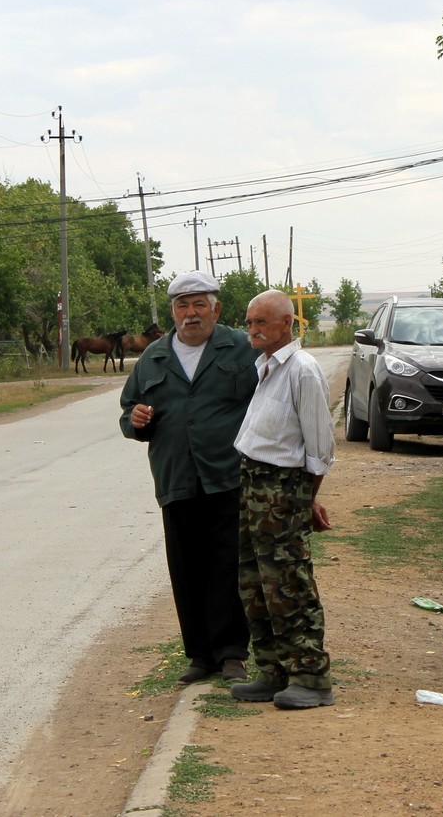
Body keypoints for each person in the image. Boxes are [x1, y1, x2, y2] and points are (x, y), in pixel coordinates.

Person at [120, 270, 259, 684]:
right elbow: (129, 411)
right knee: (185, 567)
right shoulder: (153, 358)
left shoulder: (241, 347)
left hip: (228, 474)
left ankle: (232, 652)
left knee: (228, 565)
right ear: (173, 312)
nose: (191, 313)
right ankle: (199, 656)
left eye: (199, 304)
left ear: (215, 308)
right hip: (176, 476)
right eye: (183, 305)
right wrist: (136, 419)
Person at [231, 289, 337, 709]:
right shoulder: (267, 368)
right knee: (254, 583)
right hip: (253, 484)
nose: (253, 329)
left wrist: (304, 500)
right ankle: (273, 670)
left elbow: (319, 449)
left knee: (288, 584)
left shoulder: (303, 371)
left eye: (261, 322)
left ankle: (311, 676)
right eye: (250, 322)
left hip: (281, 489)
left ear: (286, 325)